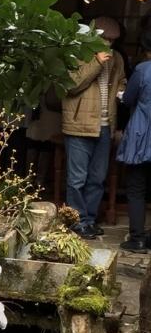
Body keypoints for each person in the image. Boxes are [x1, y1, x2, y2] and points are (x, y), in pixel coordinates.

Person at [61, 16, 126, 239]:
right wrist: (96, 62)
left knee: (97, 179)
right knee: (76, 179)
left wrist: (122, 90)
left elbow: (121, 80)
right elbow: (71, 85)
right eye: (104, 39)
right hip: (78, 125)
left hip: (105, 126)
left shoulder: (116, 58)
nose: (108, 44)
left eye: (112, 40)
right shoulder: (75, 53)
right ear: (92, 36)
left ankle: (88, 220)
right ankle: (76, 222)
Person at [116, 26, 151, 251]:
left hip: (143, 136)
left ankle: (137, 238)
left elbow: (128, 99)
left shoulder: (143, 69)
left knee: (136, 187)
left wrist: (122, 95)